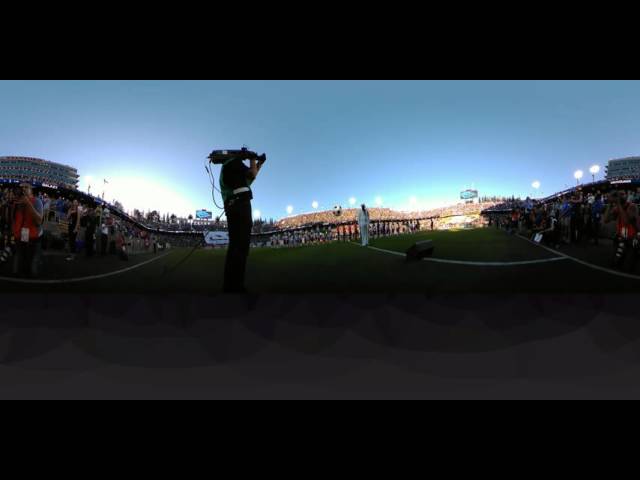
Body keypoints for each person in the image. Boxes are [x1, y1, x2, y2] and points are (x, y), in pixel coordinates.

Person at [219, 151, 265, 293]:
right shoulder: (232, 164)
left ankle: (230, 286)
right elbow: (251, 175)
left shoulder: (232, 168)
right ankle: (236, 286)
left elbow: (251, 177)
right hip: (240, 206)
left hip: (234, 206)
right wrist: (254, 161)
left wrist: (259, 164)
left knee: (235, 246)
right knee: (241, 246)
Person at [12, 183, 44, 278]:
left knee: (33, 262)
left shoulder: (37, 201)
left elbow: (39, 221)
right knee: (22, 258)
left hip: (35, 236)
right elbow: (14, 218)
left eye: (26, 187)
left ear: (31, 189)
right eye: (22, 187)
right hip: (21, 235)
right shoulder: (17, 202)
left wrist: (28, 203)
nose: (24, 189)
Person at [604, 190, 639, 271]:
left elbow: (626, 221)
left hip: (631, 238)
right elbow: (606, 220)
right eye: (618, 195)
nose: (620, 196)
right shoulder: (617, 208)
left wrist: (618, 204)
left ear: (626, 196)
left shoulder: (632, 206)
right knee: (615, 262)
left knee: (629, 266)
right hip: (620, 237)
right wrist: (610, 204)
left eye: (622, 194)